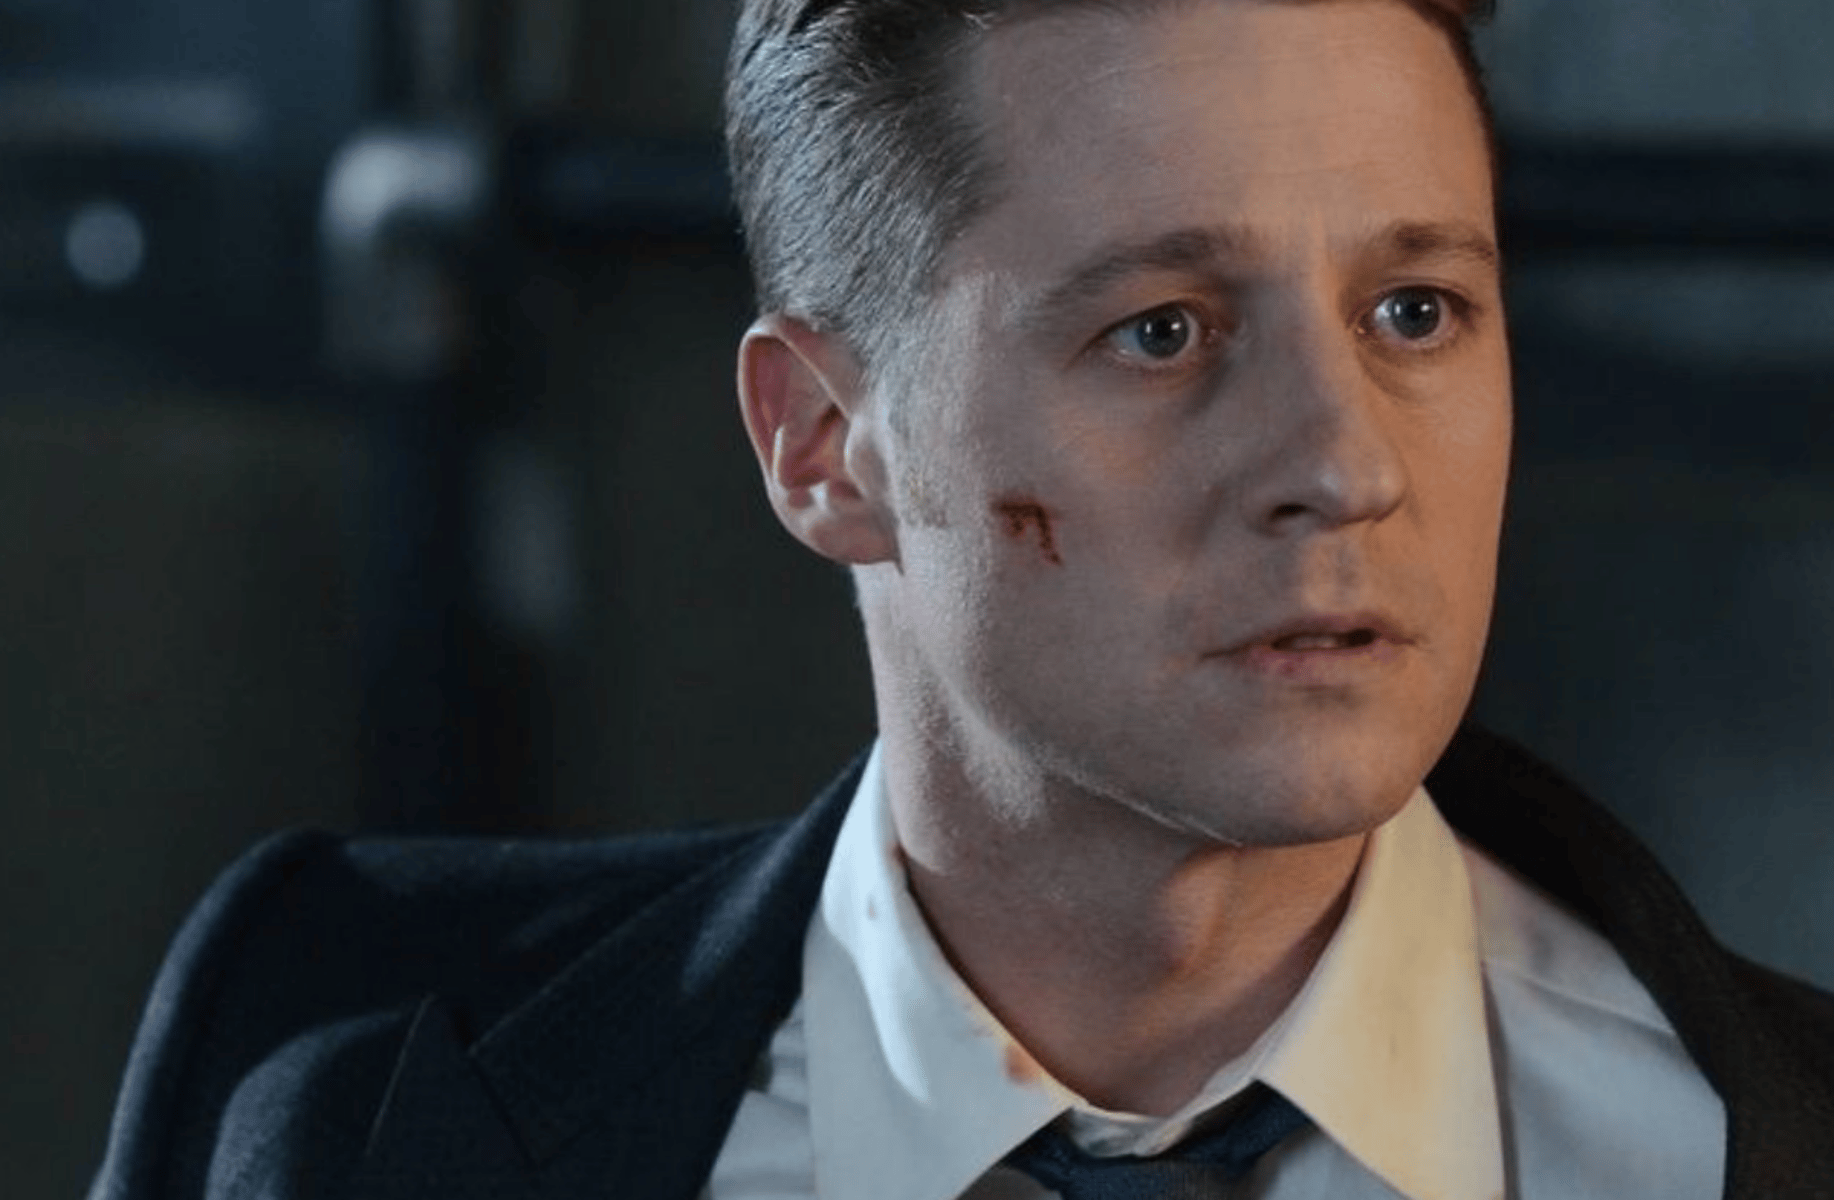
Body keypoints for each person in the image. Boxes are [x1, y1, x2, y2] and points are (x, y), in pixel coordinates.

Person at [91, 1, 1834, 1197]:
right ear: (823, 446)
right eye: (1161, 332)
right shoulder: (335, 1058)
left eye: (1414, 313)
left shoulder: (1739, 1134)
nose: (1344, 463)